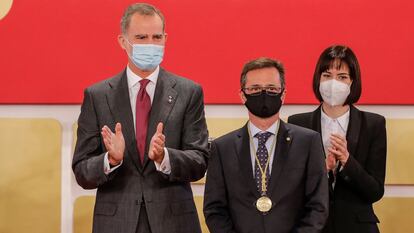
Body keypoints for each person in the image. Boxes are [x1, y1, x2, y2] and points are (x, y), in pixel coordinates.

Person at [72, 3, 208, 233]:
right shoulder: (97, 96)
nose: (150, 44)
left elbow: (200, 161)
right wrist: (110, 160)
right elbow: (82, 170)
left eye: (156, 37)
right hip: (116, 223)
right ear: (123, 41)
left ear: (166, 38)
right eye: (141, 37)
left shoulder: (189, 92)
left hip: (174, 223)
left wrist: (165, 157)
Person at [203, 57, 329, 233]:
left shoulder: (308, 142)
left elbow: (318, 206)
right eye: (254, 89)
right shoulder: (222, 147)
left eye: (271, 88)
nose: (263, 94)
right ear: (242, 95)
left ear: (283, 94)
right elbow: (214, 210)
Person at [288, 45, 387, 233]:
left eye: (342, 77)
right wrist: (322, 169)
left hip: (358, 227)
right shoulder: (297, 123)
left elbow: (375, 191)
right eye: (327, 75)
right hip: (312, 226)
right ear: (318, 79)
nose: (333, 83)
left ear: (353, 82)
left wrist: (348, 161)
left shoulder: (373, 124)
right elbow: (292, 188)